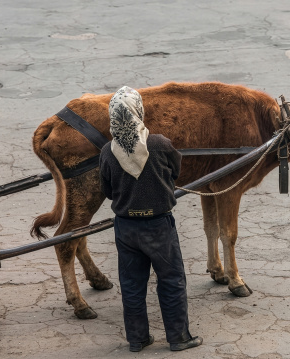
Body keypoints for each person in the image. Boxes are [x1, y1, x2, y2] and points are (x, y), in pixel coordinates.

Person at [99, 86, 203, 352]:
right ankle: (179, 338)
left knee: (132, 285)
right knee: (171, 281)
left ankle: (137, 339)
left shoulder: (108, 153)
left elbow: (108, 190)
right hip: (158, 227)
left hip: (126, 229)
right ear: (138, 111)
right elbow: (176, 172)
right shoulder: (159, 144)